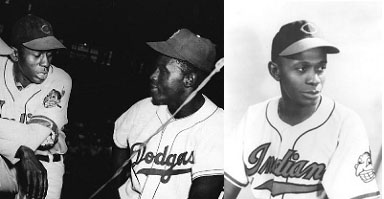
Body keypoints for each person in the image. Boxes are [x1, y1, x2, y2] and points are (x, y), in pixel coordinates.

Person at [224, 20, 380, 199]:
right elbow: (224, 188)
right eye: (301, 68)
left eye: (320, 68)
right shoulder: (254, 117)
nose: (314, 79)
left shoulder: (344, 123)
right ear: (275, 71)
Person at [113, 29, 223, 199]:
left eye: (163, 71)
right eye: (155, 68)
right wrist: (120, 191)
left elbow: (203, 194)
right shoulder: (141, 109)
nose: (153, 76)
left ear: (189, 80)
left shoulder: (218, 127)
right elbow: (119, 143)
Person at [0, 14, 72, 199]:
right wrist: (22, 149)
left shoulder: (60, 79)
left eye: (49, 54)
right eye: (37, 55)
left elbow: (34, 136)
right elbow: (24, 143)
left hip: (42, 165)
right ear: (15, 54)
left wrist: (22, 146)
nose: (45, 63)